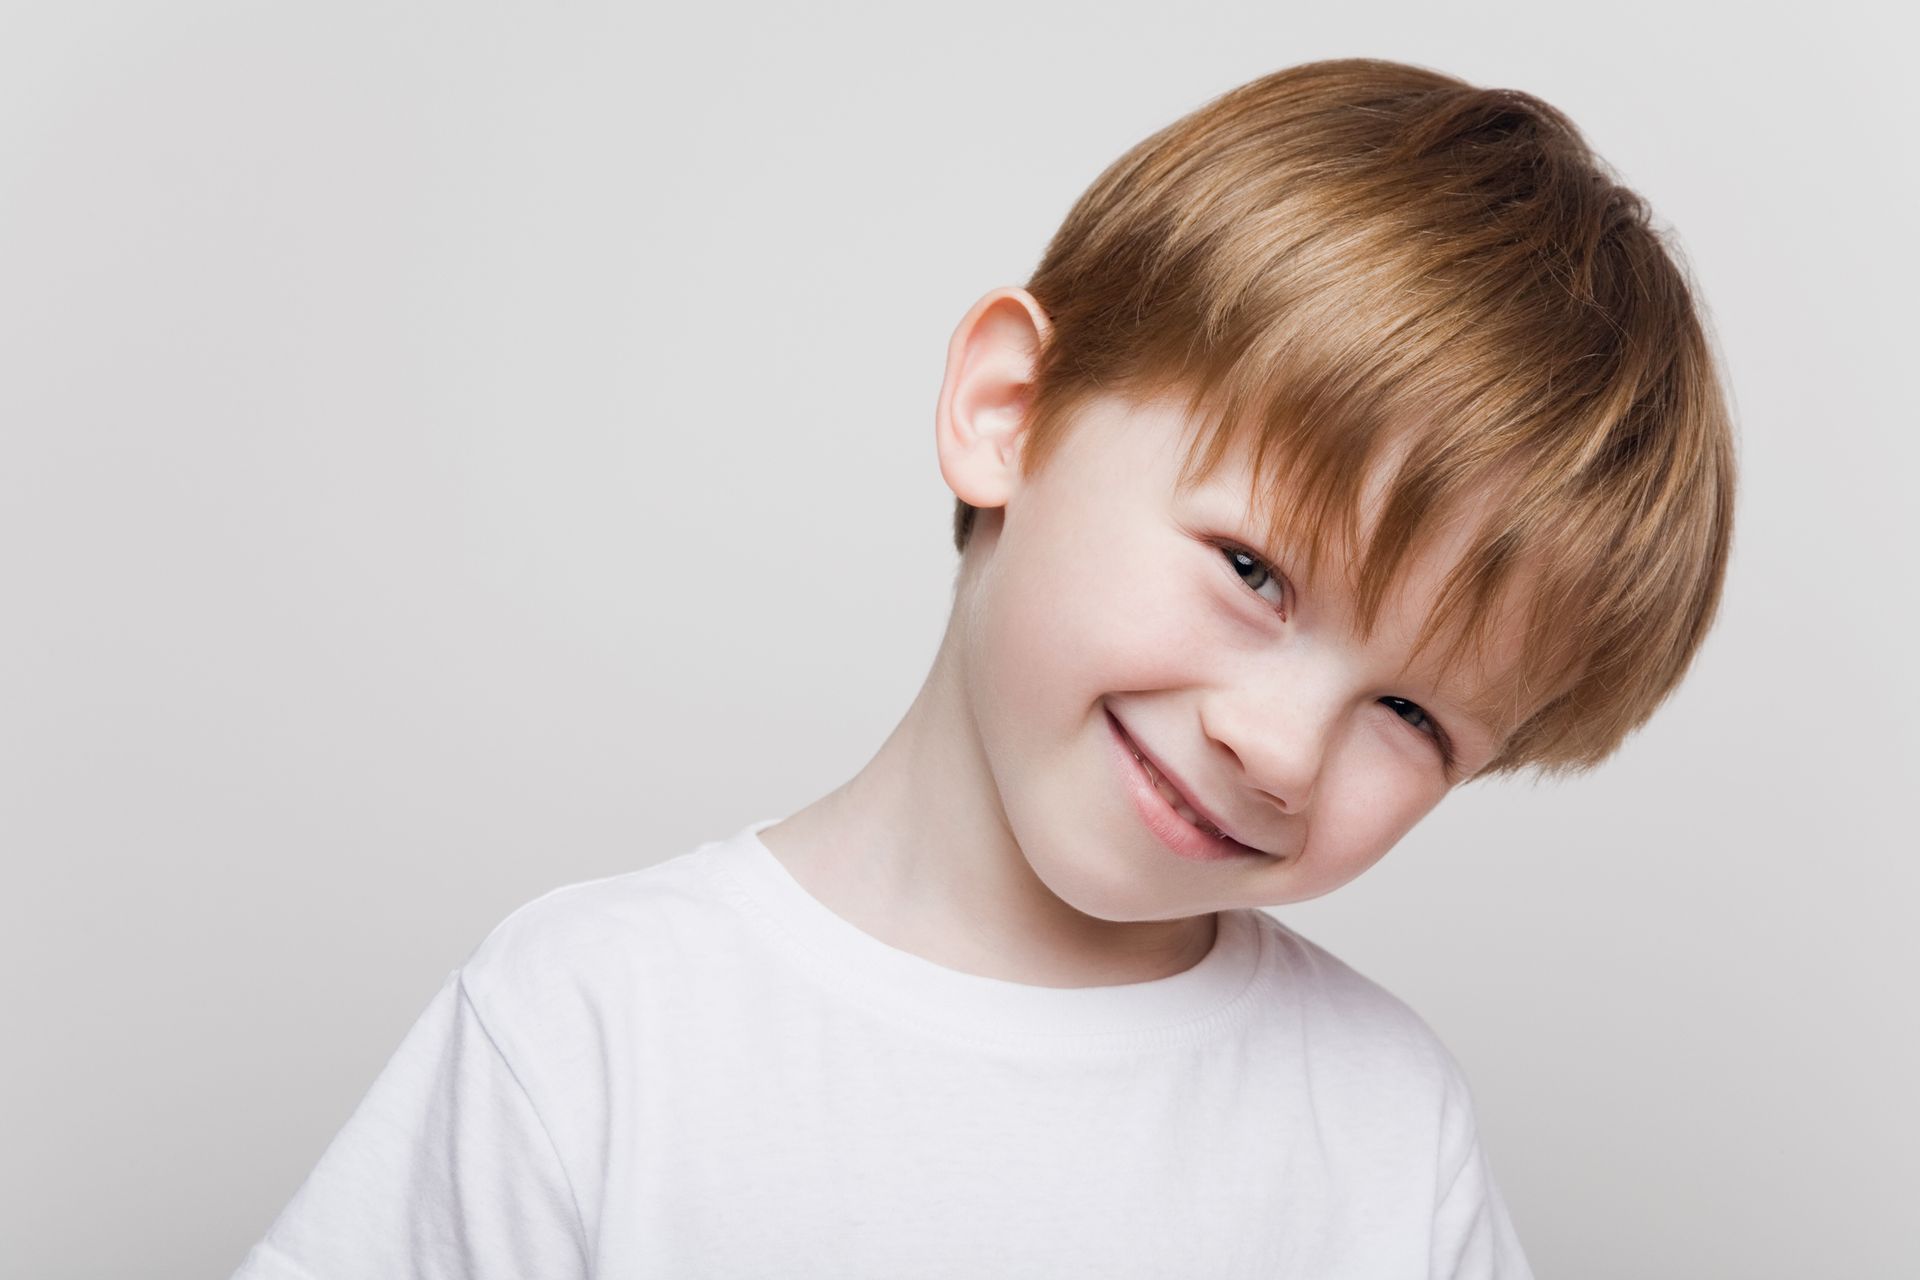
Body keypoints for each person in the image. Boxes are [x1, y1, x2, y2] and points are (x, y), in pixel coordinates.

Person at [230, 57, 1735, 1279]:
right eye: (1253, 571)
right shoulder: (596, 1029)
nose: (1279, 749)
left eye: (1411, 715)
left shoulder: (1384, 1137)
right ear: (1009, 412)